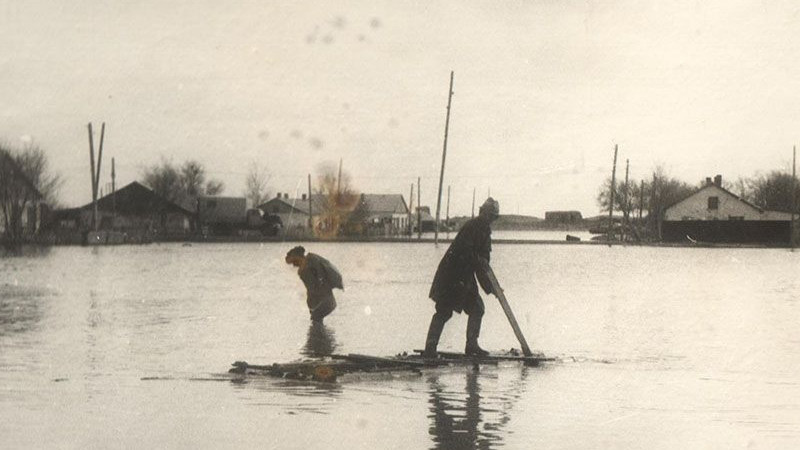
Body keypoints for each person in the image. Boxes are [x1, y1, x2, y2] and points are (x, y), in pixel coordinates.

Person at [424, 197, 500, 357]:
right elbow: (467, 254)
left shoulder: (486, 232)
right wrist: (479, 262)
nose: (490, 218)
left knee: (477, 308)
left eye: (493, 216)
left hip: (465, 277)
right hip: (451, 274)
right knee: (444, 311)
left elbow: (483, 266)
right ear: (482, 213)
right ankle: (430, 349)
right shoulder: (471, 227)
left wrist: (492, 288)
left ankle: (472, 345)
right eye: (488, 214)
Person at [285, 246, 344, 323]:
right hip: (320, 302)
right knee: (316, 322)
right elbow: (310, 288)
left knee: (316, 321)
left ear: (297, 257)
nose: (293, 265)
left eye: (294, 262)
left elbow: (320, 277)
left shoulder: (311, 259)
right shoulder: (301, 270)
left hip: (325, 300)